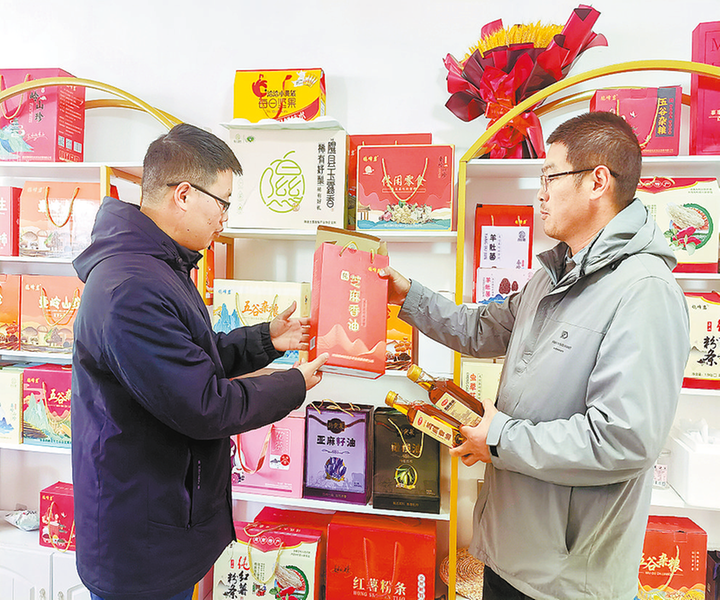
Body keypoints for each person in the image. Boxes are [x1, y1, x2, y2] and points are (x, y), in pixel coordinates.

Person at [382, 111, 690, 600]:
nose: (540, 193)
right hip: (508, 552)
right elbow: (481, 328)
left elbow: (622, 439)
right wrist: (409, 296)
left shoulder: (645, 289)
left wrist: (499, 437)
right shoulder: (552, 274)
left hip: (565, 578)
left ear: (597, 182)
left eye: (550, 176)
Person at [71, 123, 327, 600]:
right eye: (223, 202)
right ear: (184, 194)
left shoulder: (159, 265)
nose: (224, 219)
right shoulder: (132, 288)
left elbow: (191, 358)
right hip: (141, 540)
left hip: (162, 517)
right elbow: (203, 404)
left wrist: (267, 340)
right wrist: (293, 383)